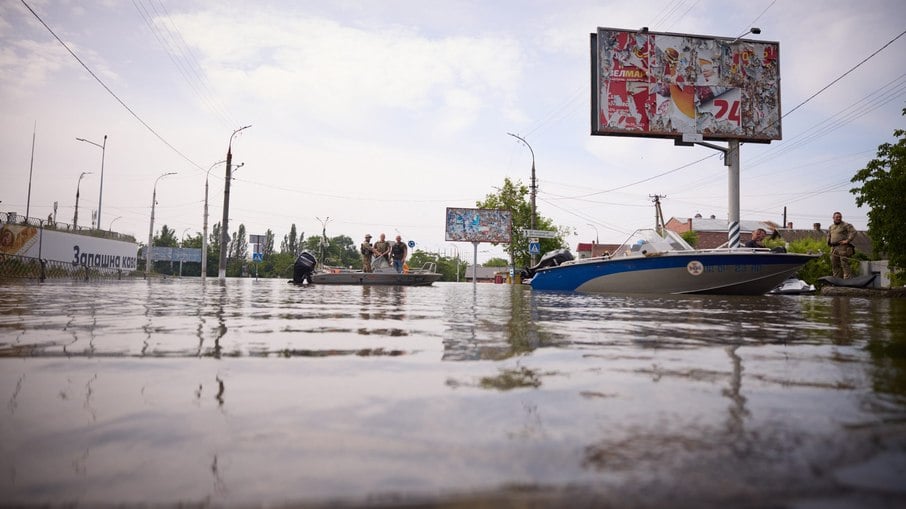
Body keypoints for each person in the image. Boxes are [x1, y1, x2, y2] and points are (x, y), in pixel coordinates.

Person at [827, 211, 857, 279]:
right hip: (833, 247)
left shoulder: (845, 225)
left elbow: (853, 232)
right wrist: (828, 242)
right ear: (833, 218)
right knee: (834, 264)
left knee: (844, 263)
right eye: (837, 217)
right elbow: (829, 235)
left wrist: (848, 240)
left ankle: (847, 279)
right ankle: (837, 279)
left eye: (840, 217)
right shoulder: (831, 226)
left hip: (842, 247)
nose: (838, 218)